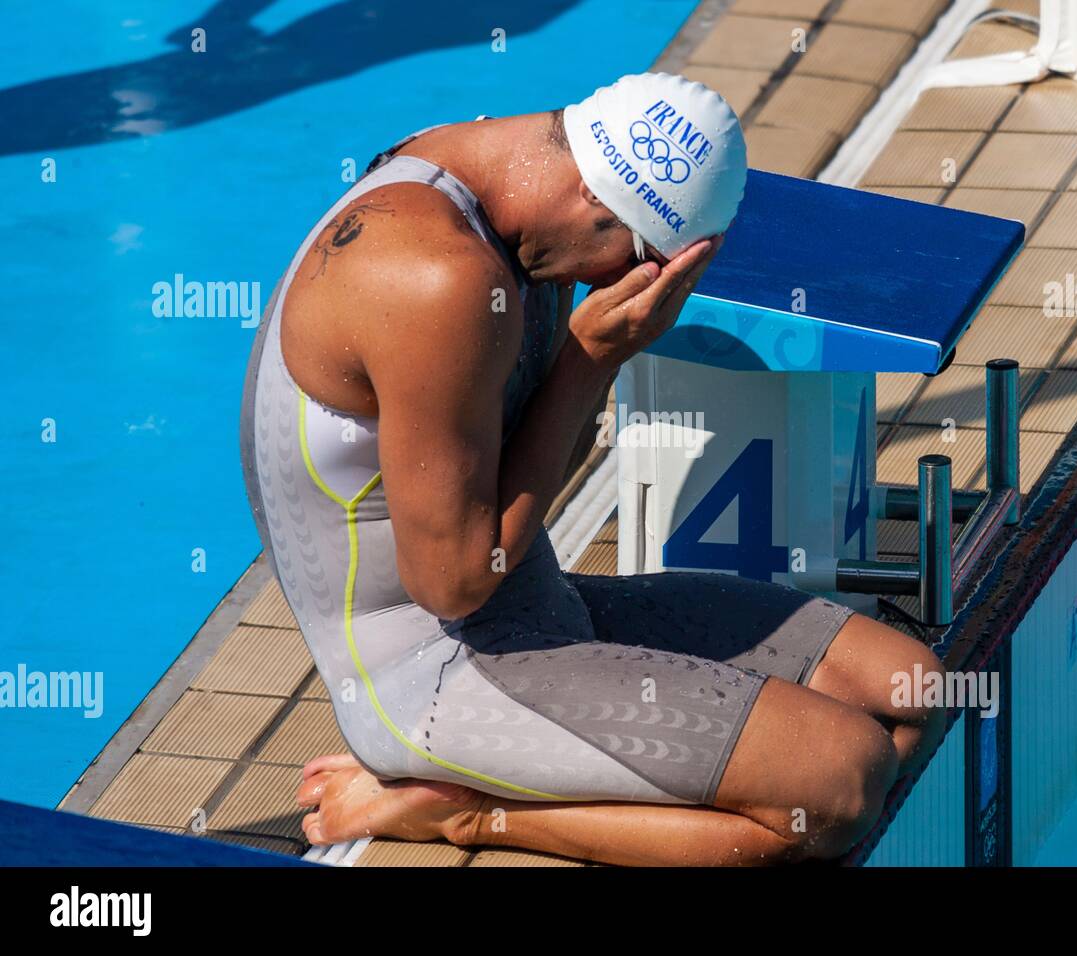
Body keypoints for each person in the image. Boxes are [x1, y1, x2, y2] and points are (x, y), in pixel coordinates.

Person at [239, 73, 946, 866]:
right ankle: (457, 817)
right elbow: (453, 584)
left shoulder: (491, 173)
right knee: (837, 785)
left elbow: (523, 478)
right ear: (593, 199)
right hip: (433, 672)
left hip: (538, 611)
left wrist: (590, 363)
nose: (621, 286)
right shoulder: (437, 277)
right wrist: (589, 360)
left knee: (912, 693)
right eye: (641, 264)